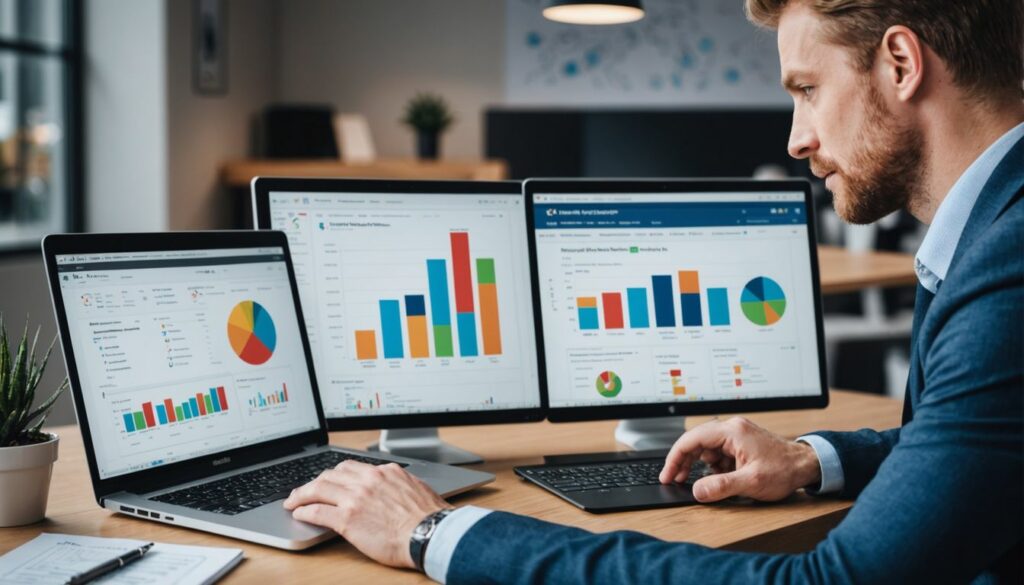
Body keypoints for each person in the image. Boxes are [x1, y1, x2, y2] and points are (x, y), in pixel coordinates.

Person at [283, 0, 1024, 582]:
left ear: (900, 62)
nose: (796, 138)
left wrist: (434, 532)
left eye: (807, 89)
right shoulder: (995, 227)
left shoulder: (1006, 266)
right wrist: (811, 458)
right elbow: (968, 441)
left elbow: (836, 578)